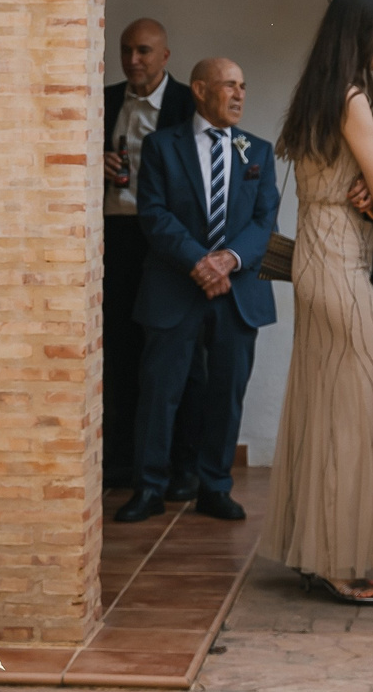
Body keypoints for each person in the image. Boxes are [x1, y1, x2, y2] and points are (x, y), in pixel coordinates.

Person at [260, 0, 373, 606]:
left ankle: (316, 549)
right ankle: (339, 558)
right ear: (364, 32)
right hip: (340, 267)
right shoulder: (352, 100)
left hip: (316, 262)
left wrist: (371, 180)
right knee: (367, 413)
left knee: (325, 407)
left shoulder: (317, 94)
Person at [117, 57, 281, 524]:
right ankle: (148, 488)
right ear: (200, 90)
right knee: (159, 392)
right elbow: (153, 214)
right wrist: (198, 262)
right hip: (174, 287)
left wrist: (227, 260)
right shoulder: (161, 146)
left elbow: (264, 220)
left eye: (243, 86)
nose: (239, 95)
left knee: (226, 393)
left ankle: (215, 486)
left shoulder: (258, 152)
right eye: (229, 85)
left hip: (239, 291)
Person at [103, 19, 195, 489]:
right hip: (113, 236)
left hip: (166, 241)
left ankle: (177, 465)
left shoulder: (186, 104)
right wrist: (95, 161)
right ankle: (120, 462)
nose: (133, 60)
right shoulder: (103, 100)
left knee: (168, 356)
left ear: (165, 57)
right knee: (117, 350)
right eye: (126, 51)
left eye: (143, 51)